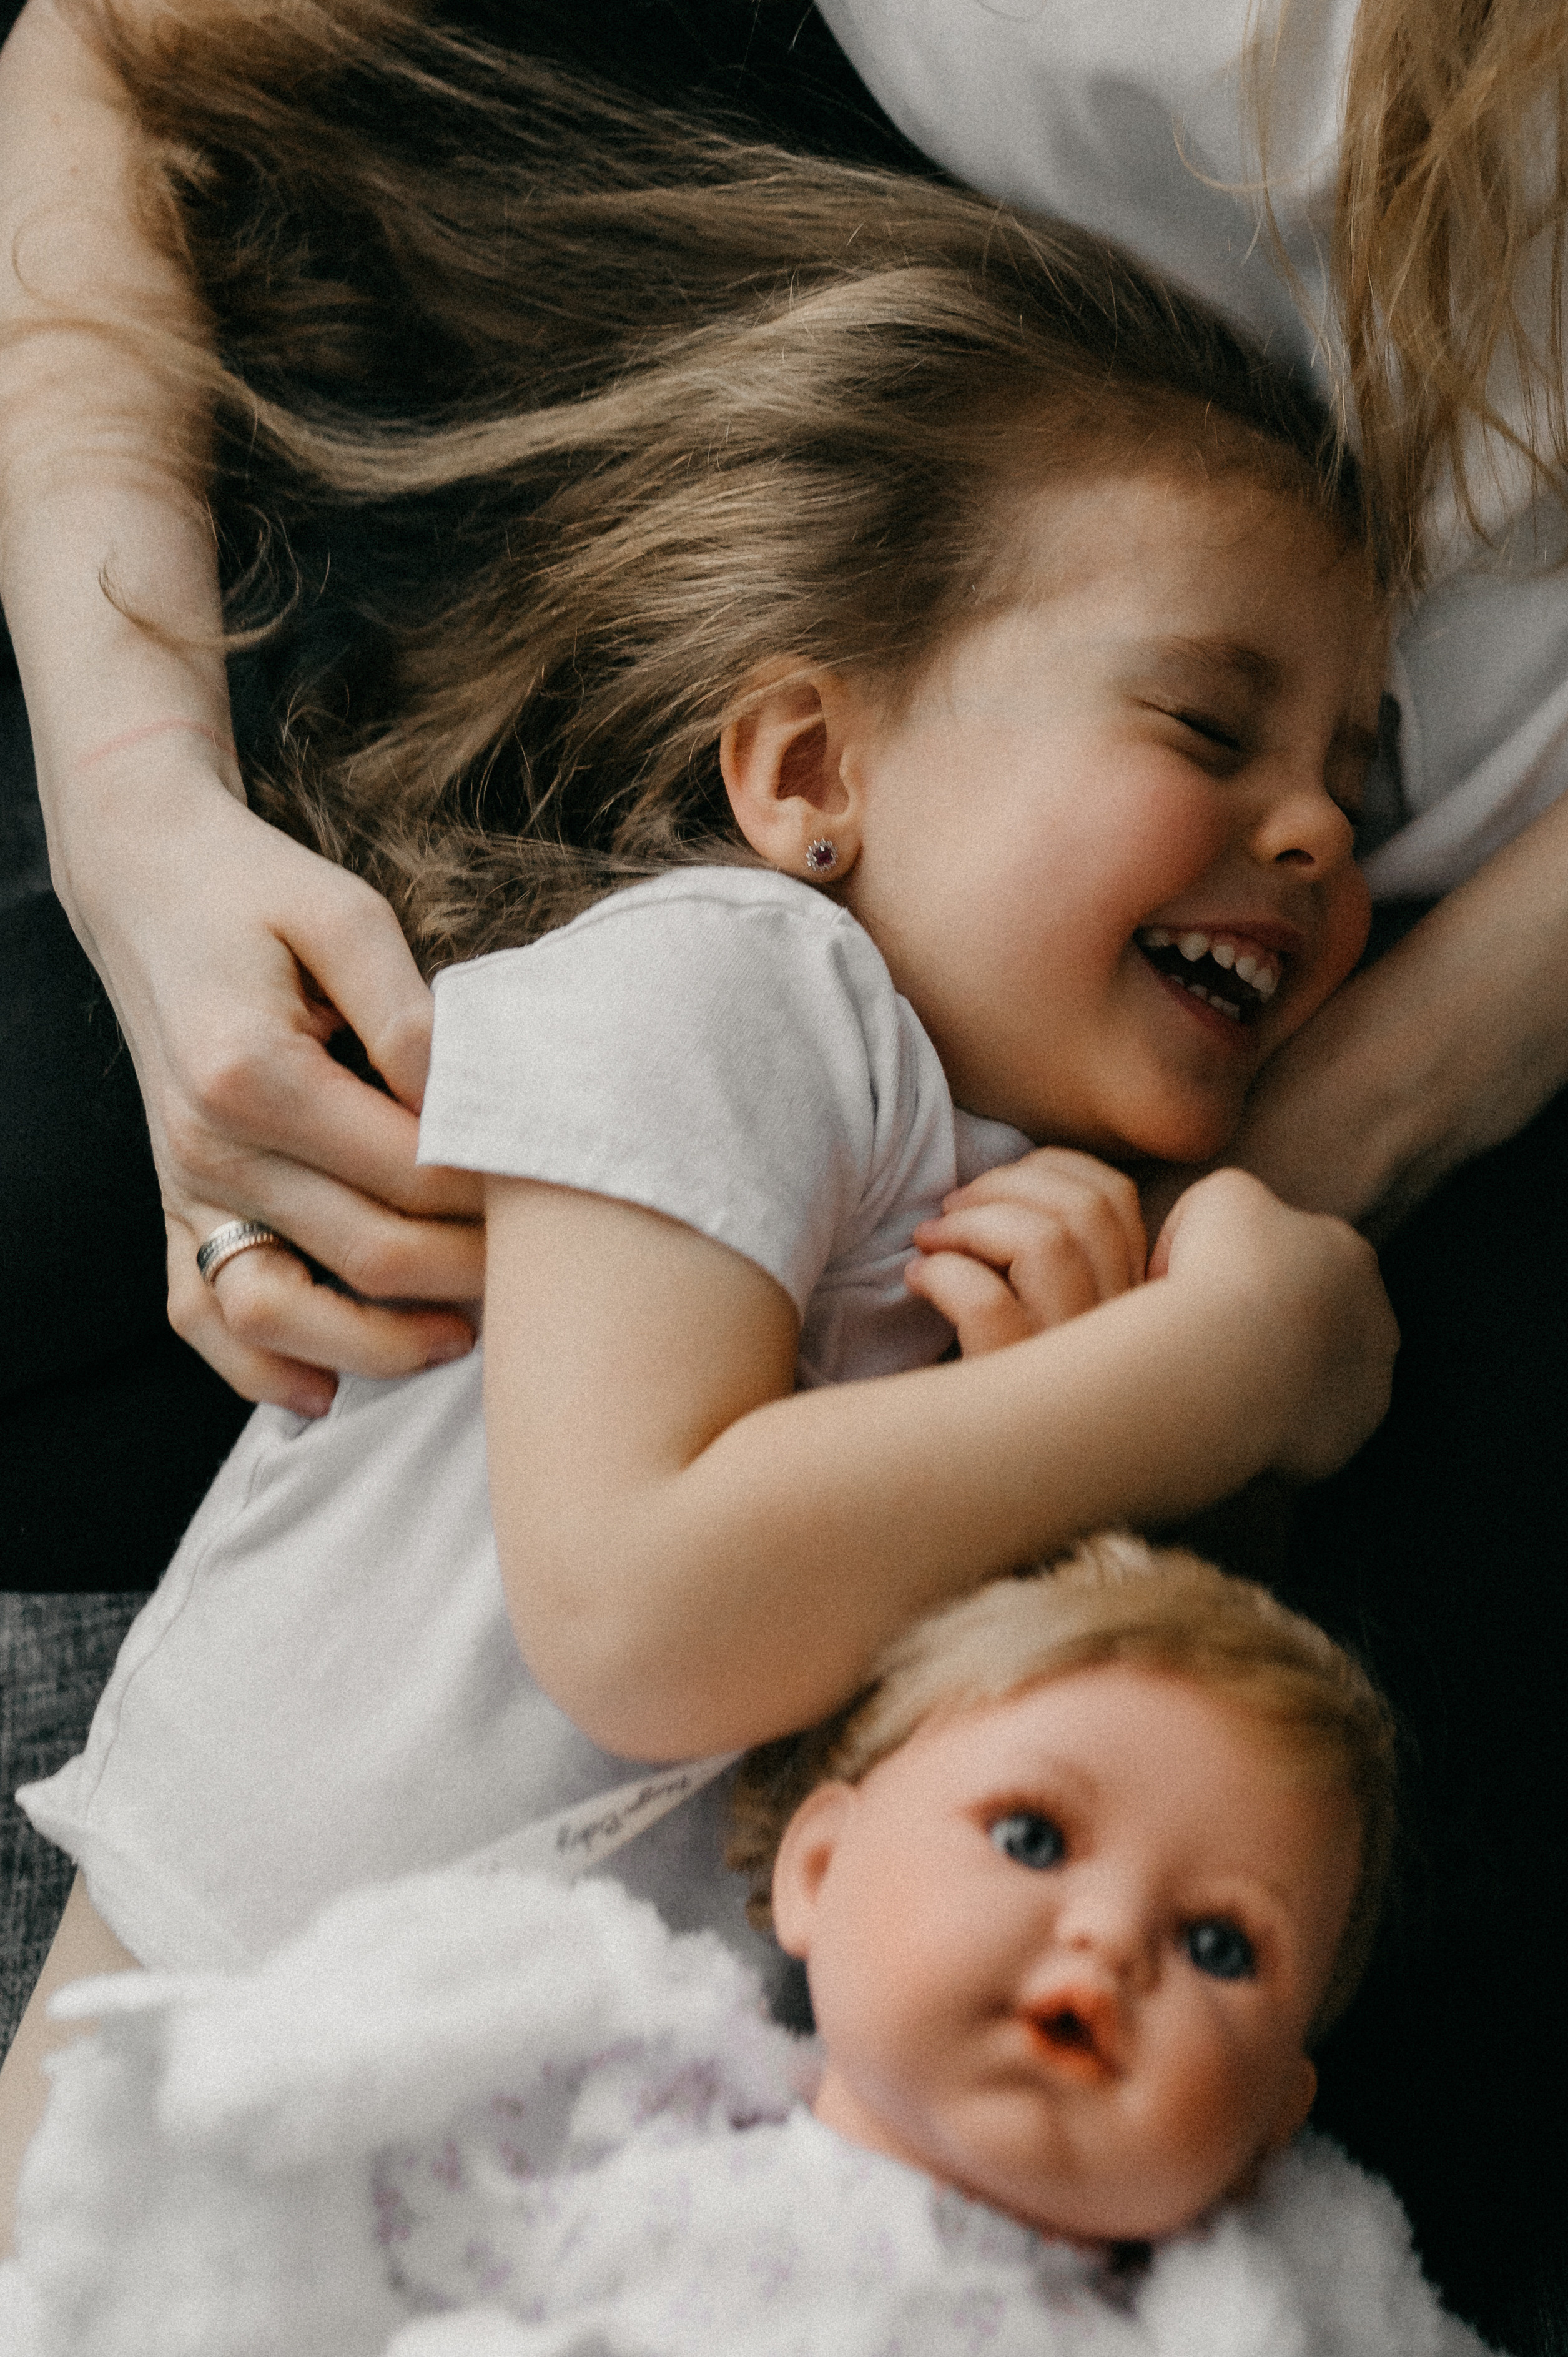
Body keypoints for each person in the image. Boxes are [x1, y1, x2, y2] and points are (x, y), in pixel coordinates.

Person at [0, 0, 1561, 2341]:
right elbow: (648, 1608)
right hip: (236, 2109)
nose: (1321, 824)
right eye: (1206, 722)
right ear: (810, 763)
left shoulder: (1013, 1201)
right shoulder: (723, 986)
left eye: (1357, 762)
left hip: (587, 2179)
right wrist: (1234, 1362)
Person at [7, 1538, 1488, 2357]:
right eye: (1033, 1839)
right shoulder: (607, 2128)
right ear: (820, 1868)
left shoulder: (1242, 2325)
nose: (1106, 1940)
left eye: (1222, 1943)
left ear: (1269, 2128)